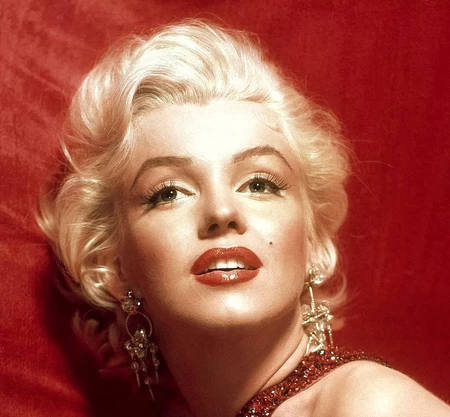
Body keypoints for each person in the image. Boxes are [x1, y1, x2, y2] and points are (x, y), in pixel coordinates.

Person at [38, 19, 450, 417]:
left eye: (259, 184)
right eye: (169, 193)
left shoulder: (370, 406)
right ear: (112, 265)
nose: (222, 212)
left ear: (314, 243)